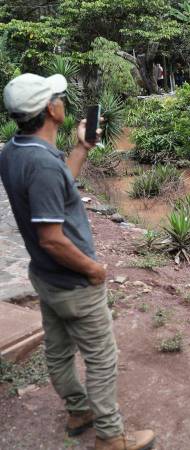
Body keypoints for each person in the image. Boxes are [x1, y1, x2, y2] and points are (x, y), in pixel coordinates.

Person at [0, 73, 155, 450]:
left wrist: (81, 149)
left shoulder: (14, 151)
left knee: (57, 350)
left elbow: (56, 193)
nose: (64, 102)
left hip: (46, 279)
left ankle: (78, 410)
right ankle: (111, 437)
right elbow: (52, 238)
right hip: (73, 282)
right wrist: (93, 268)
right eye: (59, 97)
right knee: (102, 358)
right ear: (51, 110)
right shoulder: (44, 166)